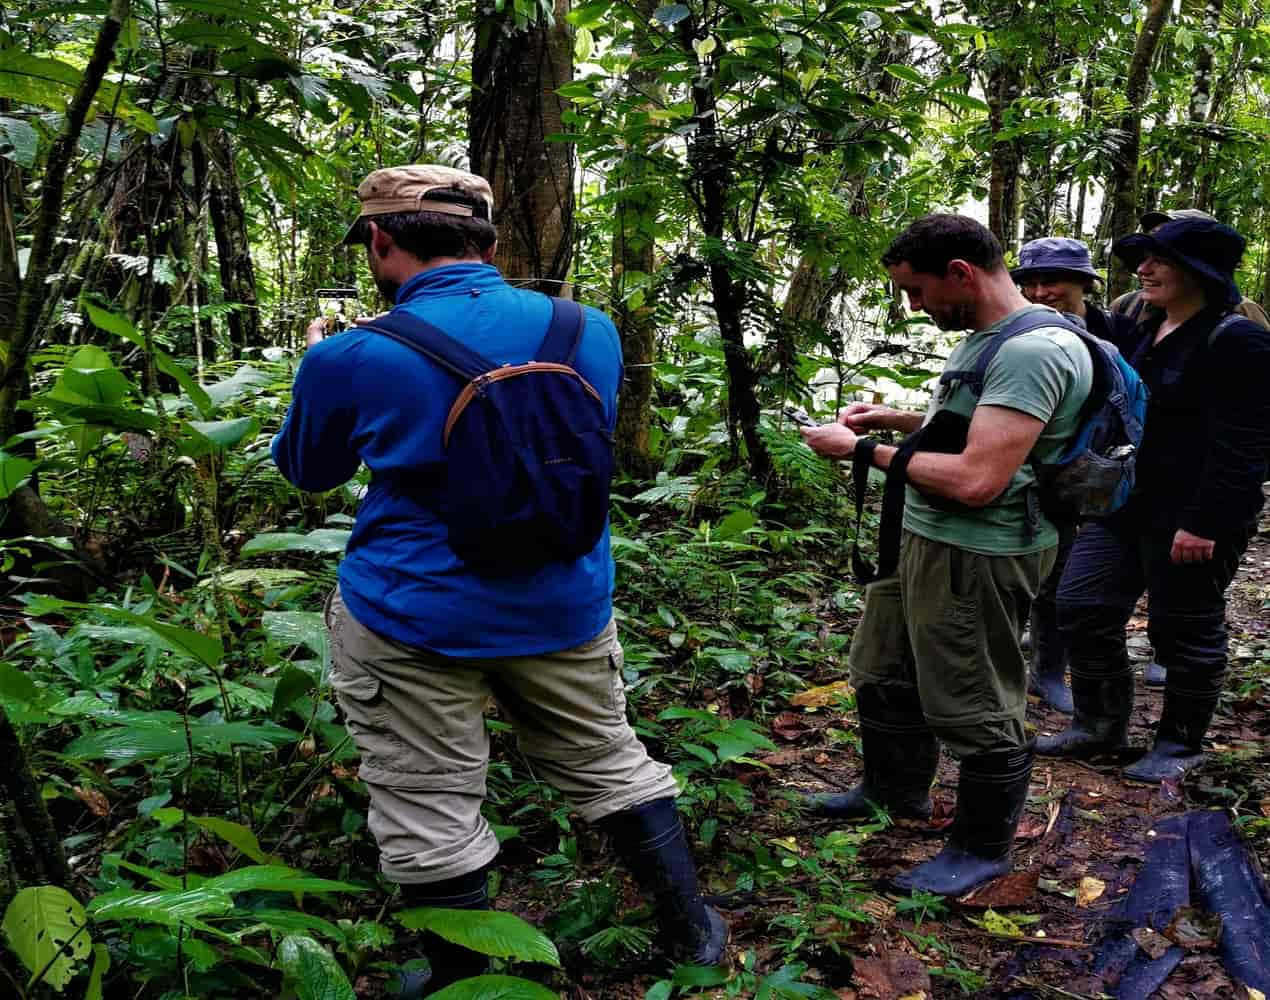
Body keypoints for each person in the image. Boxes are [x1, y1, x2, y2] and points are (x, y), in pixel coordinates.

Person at [272, 165, 726, 996]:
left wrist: (320, 371)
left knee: (425, 795)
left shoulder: (350, 355)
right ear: (489, 239)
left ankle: (458, 974)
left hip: (413, 612)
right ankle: (691, 931)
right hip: (565, 597)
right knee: (608, 757)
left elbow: (308, 470)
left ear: (380, 239)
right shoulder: (586, 327)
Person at [801, 214, 1092, 896]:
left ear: (960, 272)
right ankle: (892, 789)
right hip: (927, 540)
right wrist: (897, 422)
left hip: (979, 550)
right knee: (884, 670)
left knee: (975, 697)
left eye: (916, 290)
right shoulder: (994, 339)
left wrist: (863, 453)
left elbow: (978, 479)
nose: (914, 306)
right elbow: (982, 427)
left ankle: (980, 848)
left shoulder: (1034, 349)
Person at [1036, 216, 1270, 783]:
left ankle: (1179, 744)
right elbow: (1104, 359)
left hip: (1192, 517)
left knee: (1183, 628)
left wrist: (1206, 522)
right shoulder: (1145, 327)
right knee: (1082, 604)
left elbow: (1248, 444)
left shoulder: (1237, 338)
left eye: (1159, 260)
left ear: (1200, 272)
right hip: (1126, 507)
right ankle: (1100, 723)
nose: (1143, 269)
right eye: (1143, 259)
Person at [1010, 237, 1118, 715]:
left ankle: (1049, 671)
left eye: (1051, 281)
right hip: (1024, 467)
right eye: (1030, 282)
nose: (1039, 291)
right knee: (1025, 571)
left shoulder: (1110, 328)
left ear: (1083, 284)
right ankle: (1019, 669)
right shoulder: (1014, 330)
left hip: (1086, 470)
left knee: (1064, 574)